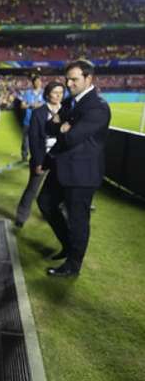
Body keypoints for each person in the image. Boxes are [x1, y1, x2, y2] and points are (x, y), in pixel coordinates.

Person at [38, 60, 111, 277]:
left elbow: (72, 137)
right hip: (62, 167)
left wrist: (62, 126)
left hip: (82, 174)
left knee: (78, 219)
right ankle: (69, 247)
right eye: (67, 79)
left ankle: (73, 266)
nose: (69, 83)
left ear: (89, 79)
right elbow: (50, 126)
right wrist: (62, 125)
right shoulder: (71, 102)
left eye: (74, 79)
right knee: (45, 203)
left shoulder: (98, 106)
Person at [14, 81, 65, 228]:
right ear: (48, 94)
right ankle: (21, 216)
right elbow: (34, 139)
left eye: (61, 93)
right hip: (43, 157)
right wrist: (38, 162)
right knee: (32, 188)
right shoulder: (38, 113)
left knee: (62, 189)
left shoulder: (66, 111)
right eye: (55, 92)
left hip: (61, 157)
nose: (58, 96)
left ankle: (56, 213)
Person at [20, 75, 44, 161]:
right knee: (25, 140)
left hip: (40, 121)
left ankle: (36, 156)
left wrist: (39, 105)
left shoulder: (44, 93)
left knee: (38, 140)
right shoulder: (27, 93)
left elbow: (47, 104)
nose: (38, 83)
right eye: (36, 81)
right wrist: (31, 105)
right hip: (28, 120)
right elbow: (22, 105)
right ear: (33, 83)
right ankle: (24, 155)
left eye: (39, 81)